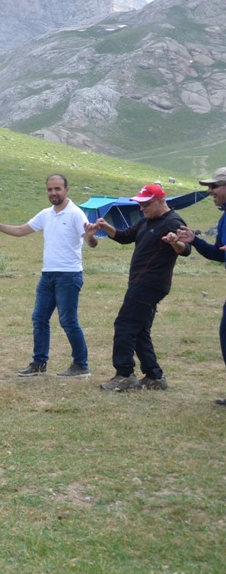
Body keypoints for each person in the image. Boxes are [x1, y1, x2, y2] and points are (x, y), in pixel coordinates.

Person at [0, 174, 98, 379]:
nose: (53, 193)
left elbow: (91, 242)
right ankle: (38, 363)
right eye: (50, 189)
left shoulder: (76, 214)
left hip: (69, 275)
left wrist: (90, 235)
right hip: (48, 275)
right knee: (39, 318)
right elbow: (20, 231)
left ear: (67, 190)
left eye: (57, 189)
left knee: (68, 321)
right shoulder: (46, 214)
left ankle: (81, 365)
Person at [95, 184, 188, 392]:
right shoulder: (147, 220)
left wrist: (175, 243)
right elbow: (125, 236)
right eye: (140, 204)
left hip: (150, 283)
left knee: (125, 325)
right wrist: (105, 226)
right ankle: (154, 376)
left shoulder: (173, 221)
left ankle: (125, 374)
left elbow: (185, 249)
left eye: (146, 204)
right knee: (139, 329)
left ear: (160, 201)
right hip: (140, 281)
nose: (142, 208)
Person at [172, 167, 226, 404]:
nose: (210, 191)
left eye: (214, 186)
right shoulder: (224, 218)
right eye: (208, 186)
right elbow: (218, 254)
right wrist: (195, 241)